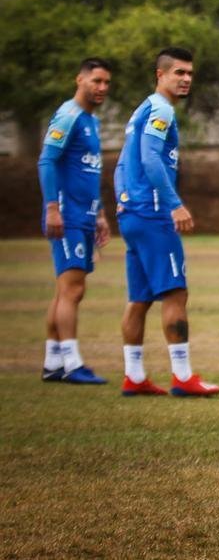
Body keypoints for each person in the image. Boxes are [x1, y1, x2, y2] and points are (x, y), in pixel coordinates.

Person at [114, 47, 219, 397]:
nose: (186, 78)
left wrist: (121, 199)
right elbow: (149, 159)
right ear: (160, 74)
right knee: (176, 292)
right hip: (154, 214)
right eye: (179, 72)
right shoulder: (160, 109)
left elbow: (121, 163)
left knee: (140, 298)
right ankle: (183, 376)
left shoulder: (142, 109)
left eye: (190, 73)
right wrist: (174, 204)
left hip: (133, 213)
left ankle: (134, 376)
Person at [38, 58, 113, 384]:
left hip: (84, 215)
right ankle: (71, 363)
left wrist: (98, 214)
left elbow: (87, 171)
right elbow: (47, 160)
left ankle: (53, 361)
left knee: (65, 290)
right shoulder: (68, 116)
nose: (101, 88)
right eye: (96, 81)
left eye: (106, 83)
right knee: (72, 289)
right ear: (79, 79)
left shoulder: (91, 122)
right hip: (67, 215)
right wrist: (52, 208)